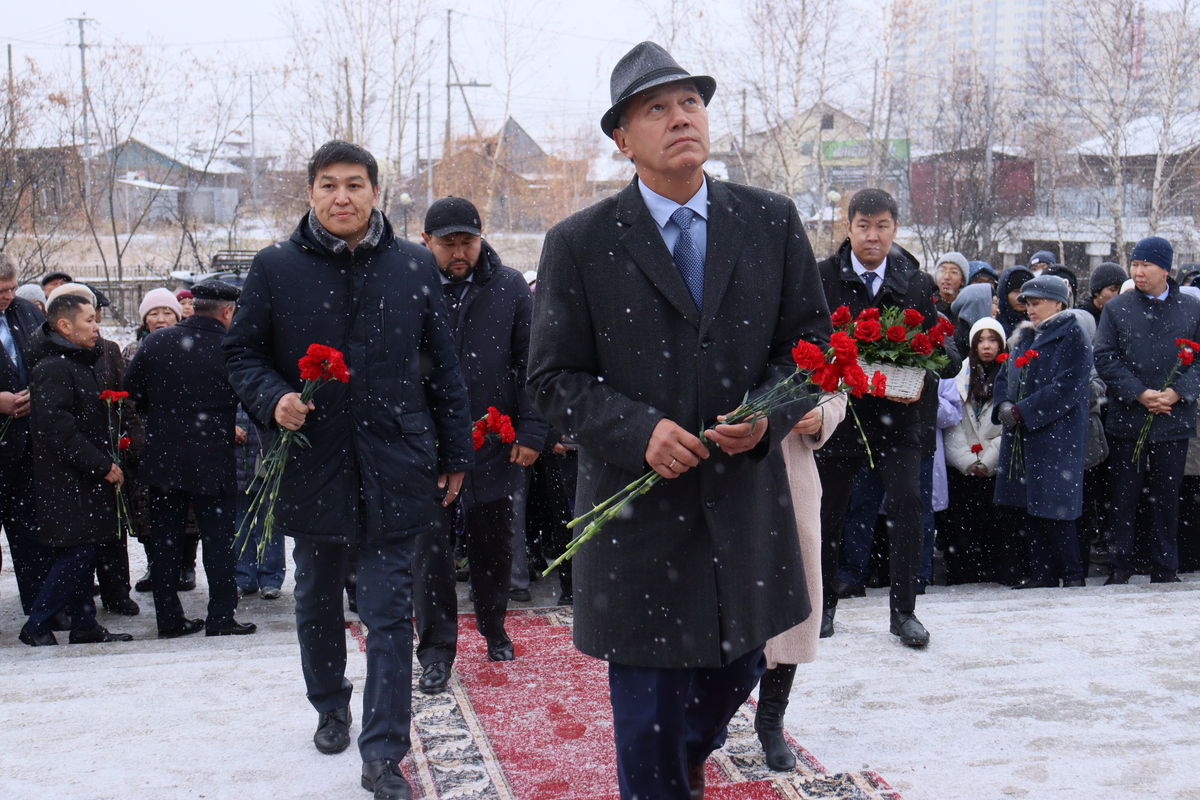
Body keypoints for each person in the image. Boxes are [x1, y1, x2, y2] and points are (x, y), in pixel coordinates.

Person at [528, 42, 829, 800]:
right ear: (622, 139)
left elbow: (812, 350)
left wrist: (766, 417)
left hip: (744, 511)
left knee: (738, 670)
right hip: (638, 521)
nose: (679, 118)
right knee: (649, 725)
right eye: (655, 108)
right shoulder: (580, 243)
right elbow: (552, 380)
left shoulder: (768, 220)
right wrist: (636, 431)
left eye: (689, 102)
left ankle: (679, 766)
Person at [224, 140, 472, 800]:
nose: (343, 197)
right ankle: (330, 704)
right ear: (310, 193)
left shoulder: (413, 265)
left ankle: (384, 753)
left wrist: (455, 455)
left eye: (355, 185)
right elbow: (241, 353)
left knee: (390, 613)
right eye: (329, 185)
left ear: (374, 193)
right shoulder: (276, 268)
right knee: (316, 597)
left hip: (397, 461)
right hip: (312, 462)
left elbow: (444, 369)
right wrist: (274, 396)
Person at [412, 196, 547, 695]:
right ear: (427, 241)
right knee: (432, 552)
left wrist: (533, 431)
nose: (459, 252)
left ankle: (493, 625)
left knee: (493, 544)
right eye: (448, 244)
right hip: (427, 444)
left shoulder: (509, 286)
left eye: (468, 241)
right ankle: (435, 650)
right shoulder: (410, 285)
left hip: (494, 439)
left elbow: (531, 362)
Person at [815, 188, 937, 647]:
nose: (872, 236)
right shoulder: (822, 277)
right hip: (840, 416)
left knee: (908, 505)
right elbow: (805, 339)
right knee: (829, 512)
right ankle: (824, 604)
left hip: (899, 419)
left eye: (882, 226)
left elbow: (937, 348)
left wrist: (925, 374)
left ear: (894, 228)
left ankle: (904, 612)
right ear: (848, 228)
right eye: (863, 226)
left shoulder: (917, 282)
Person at [125, 280, 256, 639]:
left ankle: (168, 619)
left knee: (166, 541)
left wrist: (167, 416)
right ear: (227, 311)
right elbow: (249, 394)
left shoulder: (155, 342)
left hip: (164, 456)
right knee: (219, 541)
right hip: (212, 456)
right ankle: (221, 616)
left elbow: (132, 391)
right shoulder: (230, 347)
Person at [20, 294, 132, 645]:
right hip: (68, 480)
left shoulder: (78, 360)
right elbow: (58, 430)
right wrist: (102, 465)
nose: (97, 327)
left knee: (87, 548)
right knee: (77, 552)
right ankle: (37, 624)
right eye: (89, 321)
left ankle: (85, 624)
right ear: (65, 326)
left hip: (83, 478)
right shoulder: (53, 366)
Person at [1093, 236, 1200, 585]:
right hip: (1129, 416)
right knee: (1123, 495)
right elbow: (1105, 356)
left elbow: (1198, 359)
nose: (1138, 272)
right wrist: (1139, 393)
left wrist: (1176, 392)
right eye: (1135, 265)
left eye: (1146, 265)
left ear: (1165, 269)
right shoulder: (1117, 308)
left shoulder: (1191, 308)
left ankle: (1165, 567)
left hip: (1173, 417)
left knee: (1168, 497)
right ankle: (1120, 566)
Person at [757, 394, 845, 771]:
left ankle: (771, 719)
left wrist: (823, 414)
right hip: (727, 468)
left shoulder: (802, 333)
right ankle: (713, 711)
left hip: (794, 472)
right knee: (730, 594)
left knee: (795, 592)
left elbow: (837, 388)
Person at [47, 282, 141, 617]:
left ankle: (117, 591)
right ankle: (72, 607)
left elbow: (123, 399)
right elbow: (59, 423)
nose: (96, 324)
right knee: (81, 540)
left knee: (114, 528)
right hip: (81, 462)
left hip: (110, 452)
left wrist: (132, 441)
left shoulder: (109, 350)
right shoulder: (52, 360)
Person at [993, 275, 1092, 589]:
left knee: (1058, 512)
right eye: (1028, 304)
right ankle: (1043, 574)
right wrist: (1004, 404)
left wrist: (1022, 411)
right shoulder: (1024, 337)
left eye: (1036, 303)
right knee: (1032, 509)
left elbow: (1067, 388)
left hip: (1057, 437)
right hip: (1027, 435)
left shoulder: (1074, 335)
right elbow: (1004, 376)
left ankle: (1072, 575)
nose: (1030, 309)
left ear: (1058, 303)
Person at [942, 318, 1020, 584]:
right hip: (963, 467)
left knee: (999, 524)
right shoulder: (960, 377)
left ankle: (999, 570)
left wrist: (987, 460)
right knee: (963, 524)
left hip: (996, 466)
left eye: (993, 340)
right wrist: (967, 460)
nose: (987, 346)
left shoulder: (1011, 375)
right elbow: (952, 422)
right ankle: (964, 572)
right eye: (981, 340)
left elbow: (1007, 426)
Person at [0, 255, 55, 621]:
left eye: (12, 287)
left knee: (31, 534)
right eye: (1, 290)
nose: (9, 295)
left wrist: (38, 391)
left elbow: (49, 358)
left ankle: (40, 610)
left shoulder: (27, 313)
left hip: (27, 445)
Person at [124, 287, 185, 593]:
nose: (161, 319)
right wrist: (136, 438)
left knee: (186, 511)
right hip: (144, 441)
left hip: (184, 438)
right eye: (154, 314)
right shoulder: (132, 352)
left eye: (167, 313)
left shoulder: (191, 346)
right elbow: (128, 399)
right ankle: (156, 565)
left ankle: (185, 565)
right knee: (146, 509)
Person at [996, 265, 1034, 335]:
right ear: (1005, 295)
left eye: (1025, 291)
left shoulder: (1039, 324)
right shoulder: (996, 325)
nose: (1021, 297)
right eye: (1016, 291)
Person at [933, 252, 969, 317]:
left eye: (954, 272)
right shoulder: (927, 304)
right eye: (942, 270)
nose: (946, 277)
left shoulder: (967, 308)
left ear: (962, 280)